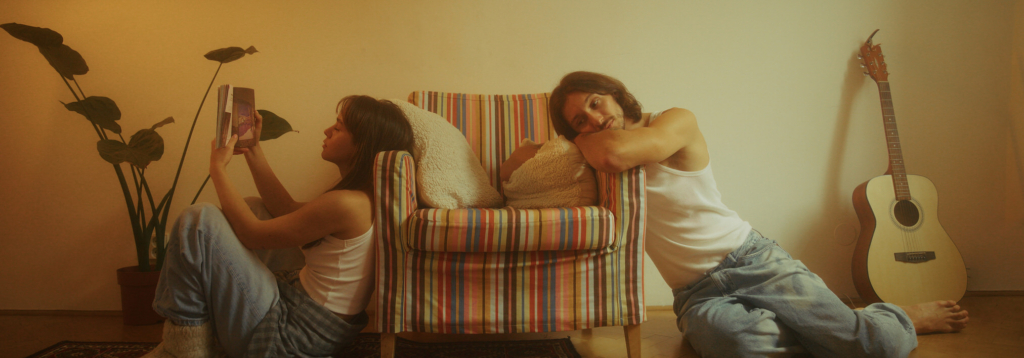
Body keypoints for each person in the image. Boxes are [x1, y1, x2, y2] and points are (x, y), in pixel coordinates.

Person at [504, 71, 969, 357]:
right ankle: (829, 331)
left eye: (595, 103)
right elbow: (512, 169)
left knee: (874, 347)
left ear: (616, 93)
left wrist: (578, 140)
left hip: (754, 260)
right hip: (696, 294)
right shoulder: (591, 150)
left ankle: (894, 318)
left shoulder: (673, 121)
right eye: (579, 121)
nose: (593, 119)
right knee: (740, 345)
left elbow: (616, 153)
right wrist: (560, 145)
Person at [144, 95, 414, 358]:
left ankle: (182, 348)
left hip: (288, 338)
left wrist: (217, 167)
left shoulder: (346, 204)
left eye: (338, 127)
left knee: (198, 220)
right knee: (256, 207)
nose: (327, 130)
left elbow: (252, 235)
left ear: (362, 145)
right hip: (314, 325)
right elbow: (284, 208)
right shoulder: (365, 198)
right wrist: (253, 148)